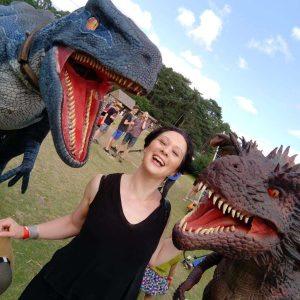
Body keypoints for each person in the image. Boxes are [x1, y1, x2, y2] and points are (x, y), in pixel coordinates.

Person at [0, 126, 194, 299]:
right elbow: (74, 223)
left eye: (175, 153)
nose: (165, 150)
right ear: (147, 146)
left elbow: (154, 256)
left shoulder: (164, 211)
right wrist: (24, 231)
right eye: (162, 142)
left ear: (175, 171)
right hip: (58, 286)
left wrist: (195, 233)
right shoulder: (101, 183)